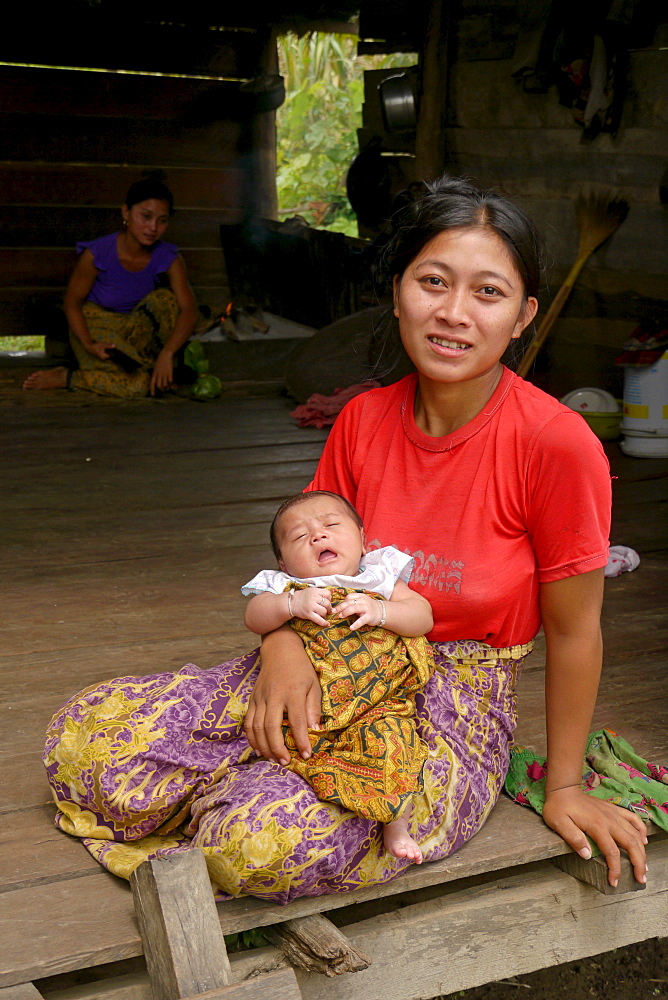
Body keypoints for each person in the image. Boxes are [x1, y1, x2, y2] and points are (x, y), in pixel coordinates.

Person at [43, 176, 648, 902]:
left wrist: (568, 785)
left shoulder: (556, 443)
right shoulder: (362, 420)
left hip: (448, 703)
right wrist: (282, 647)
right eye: (432, 281)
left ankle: (237, 792)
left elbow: (578, 631)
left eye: (487, 293)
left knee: (256, 846)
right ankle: (241, 778)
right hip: (327, 647)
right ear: (397, 293)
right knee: (82, 739)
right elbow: (303, 565)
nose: (454, 313)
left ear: (523, 316)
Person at [242, 490, 435, 863]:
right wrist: (288, 605)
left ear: (362, 539)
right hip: (309, 695)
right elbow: (254, 616)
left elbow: (422, 616)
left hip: (376, 704)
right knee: (281, 733)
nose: (318, 536)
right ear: (283, 562)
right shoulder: (285, 586)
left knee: (394, 744)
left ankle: (396, 822)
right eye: (300, 536)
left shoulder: (377, 576)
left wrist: (381, 611)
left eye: (331, 525)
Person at [23, 176, 198, 398]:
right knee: (137, 387)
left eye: (162, 221)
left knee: (166, 300)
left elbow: (189, 311)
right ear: (126, 213)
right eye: (145, 217)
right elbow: (72, 303)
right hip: (96, 327)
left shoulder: (169, 257)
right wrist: (88, 345)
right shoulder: (97, 254)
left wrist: (167, 352)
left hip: (134, 329)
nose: (153, 227)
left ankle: (155, 366)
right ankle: (68, 377)